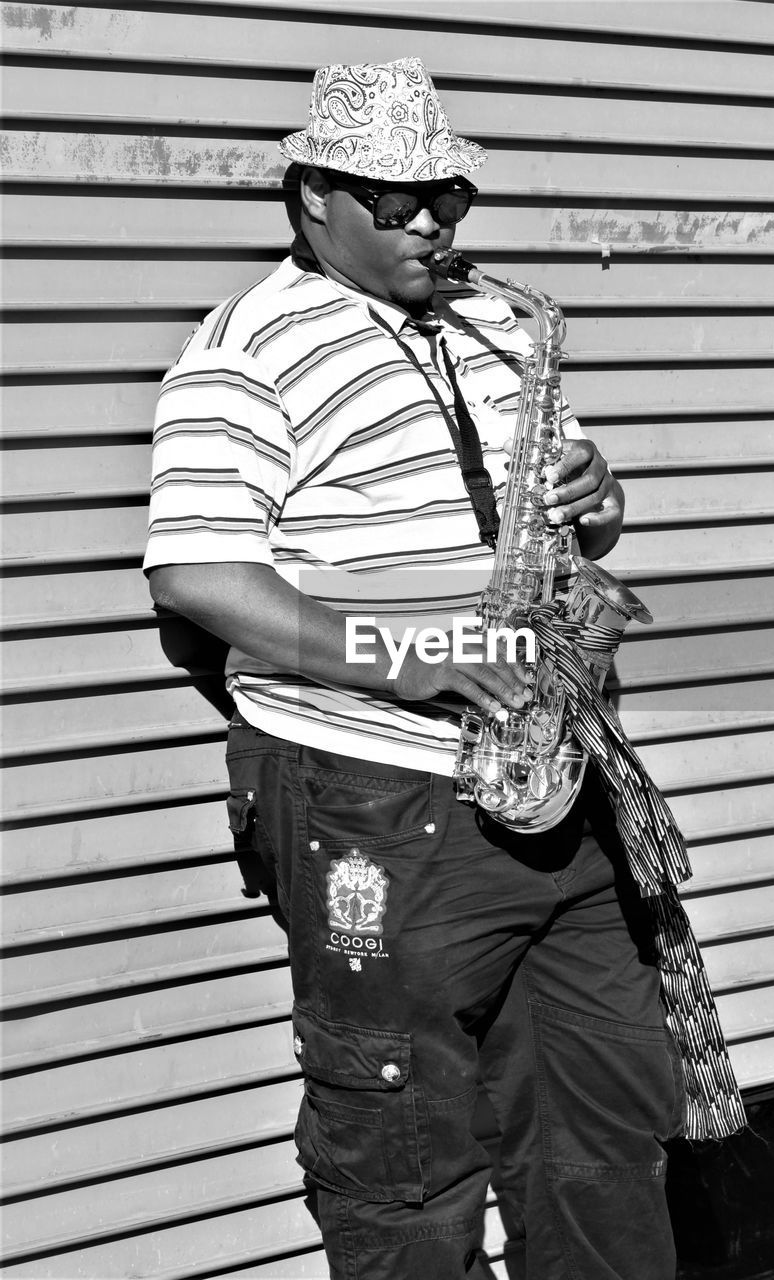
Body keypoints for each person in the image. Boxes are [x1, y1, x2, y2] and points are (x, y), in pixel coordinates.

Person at [145, 57, 687, 1280]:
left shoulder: (500, 325)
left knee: (603, 1124)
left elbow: (587, 519)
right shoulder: (246, 349)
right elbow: (195, 575)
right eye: (396, 200)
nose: (433, 221)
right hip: (371, 807)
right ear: (312, 198)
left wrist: (601, 504)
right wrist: (406, 660)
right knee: (404, 1158)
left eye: (448, 193)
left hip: (551, 783)